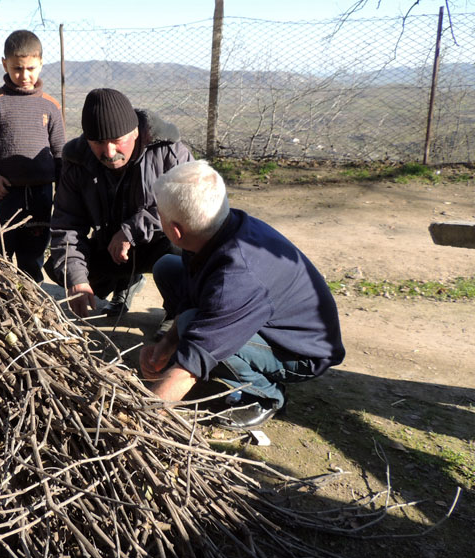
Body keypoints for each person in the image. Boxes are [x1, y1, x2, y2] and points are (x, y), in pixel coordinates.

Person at [140, 160, 345, 429]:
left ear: (176, 231)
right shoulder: (214, 226)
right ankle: (230, 363)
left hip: (301, 353)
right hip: (260, 313)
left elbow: (189, 367)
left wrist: (140, 418)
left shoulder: (236, 277)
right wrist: (166, 346)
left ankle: (266, 396)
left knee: (194, 326)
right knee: (168, 267)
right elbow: (193, 292)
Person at [44, 88, 193, 318]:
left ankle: (176, 313)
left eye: (117, 140)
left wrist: (131, 230)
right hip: (112, 249)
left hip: (159, 242)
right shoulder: (76, 160)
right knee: (62, 268)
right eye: (98, 142)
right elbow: (67, 225)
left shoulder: (167, 151)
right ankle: (126, 281)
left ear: (135, 132)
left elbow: (189, 204)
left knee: (183, 248)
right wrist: (77, 278)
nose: (109, 152)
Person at [0, 29, 65, 282]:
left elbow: (59, 152)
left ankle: (30, 304)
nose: (25, 75)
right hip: (6, 193)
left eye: (31, 68)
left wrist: (64, 188)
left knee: (32, 255)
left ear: (41, 63)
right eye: (17, 69)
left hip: (42, 195)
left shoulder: (50, 105)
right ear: (5, 64)